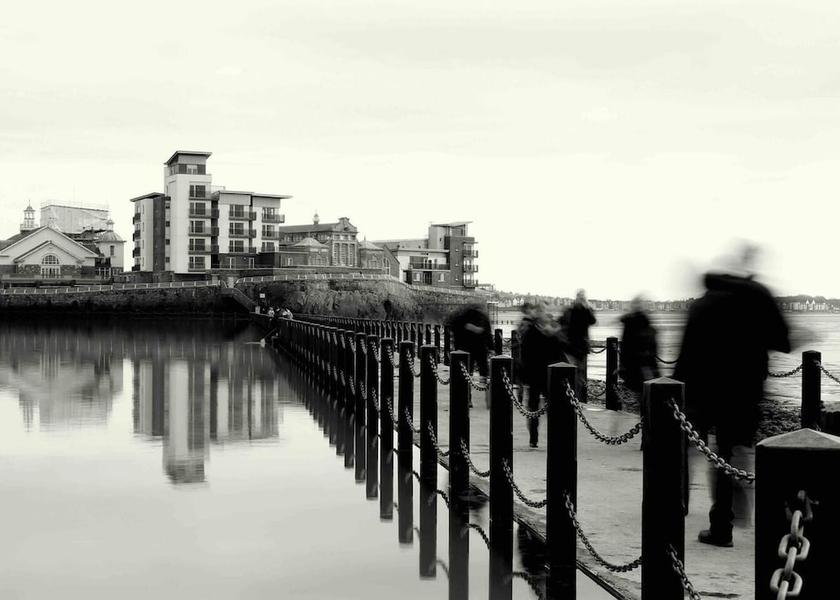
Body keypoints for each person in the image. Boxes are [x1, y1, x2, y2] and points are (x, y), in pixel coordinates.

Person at [673, 243, 790, 547]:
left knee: (695, 451)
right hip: (745, 392)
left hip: (703, 392)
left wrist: (673, 393)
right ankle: (739, 518)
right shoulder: (759, 297)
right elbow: (783, 340)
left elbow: (685, 356)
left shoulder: (703, 304)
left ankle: (698, 514)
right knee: (732, 453)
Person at [520, 306, 568, 447]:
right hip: (535, 374)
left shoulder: (553, 331)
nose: (548, 316)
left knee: (554, 407)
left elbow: (562, 349)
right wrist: (524, 377)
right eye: (544, 313)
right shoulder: (530, 332)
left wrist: (555, 334)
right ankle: (533, 438)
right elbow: (525, 355)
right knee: (533, 407)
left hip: (552, 374)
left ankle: (555, 437)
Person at [560, 289, 596, 402]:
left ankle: (577, 399)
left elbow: (593, 321)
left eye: (583, 297)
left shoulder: (586, 310)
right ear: (576, 297)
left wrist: (587, 307)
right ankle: (571, 397)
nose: (581, 299)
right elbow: (562, 322)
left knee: (579, 374)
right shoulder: (569, 310)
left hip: (580, 347)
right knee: (572, 373)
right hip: (570, 346)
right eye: (579, 296)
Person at [619, 296, 660, 393]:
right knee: (646, 391)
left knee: (641, 391)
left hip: (636, 364)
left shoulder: (629, 322)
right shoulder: (645, 322)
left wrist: (622, 366)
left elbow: (625, 347)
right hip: (643, 363)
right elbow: (652, 345)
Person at [448, 305, 493, 382]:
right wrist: (491, 347)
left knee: (468, 368)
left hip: (466, 347)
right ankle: (483, 380)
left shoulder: (461, 318)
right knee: (483, 366)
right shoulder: (483, 318)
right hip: (480, 346)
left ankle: (468, 380)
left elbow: (457, 334)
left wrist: (457, 348)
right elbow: (488, 334)